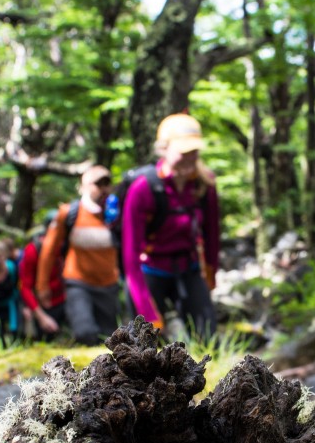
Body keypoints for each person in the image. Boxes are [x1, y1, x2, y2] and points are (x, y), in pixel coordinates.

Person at [122, 113, 219, 339]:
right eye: (183, 152)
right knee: (142, 342)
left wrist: (211, 274)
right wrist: (148, 312)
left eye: (194, 151)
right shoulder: (143, 189)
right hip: (149, 271)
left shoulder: (205, 185)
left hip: (189, 268)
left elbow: (212, 234)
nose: (189, 157)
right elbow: (130, 258)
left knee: (209, 337)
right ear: (163, 149)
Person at [37, 165, 121, 345]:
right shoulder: (69, 213)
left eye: (107, 183)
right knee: (85, 333)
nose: (104, 189)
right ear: (84, 187)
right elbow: (49, 250)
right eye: (98, 184)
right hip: (78, 283)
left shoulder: (115, 217)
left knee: (110, 339)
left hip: (108, 286)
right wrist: (42, 286)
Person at [18, 211, 66, 341]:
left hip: (65, 301)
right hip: (45, 306)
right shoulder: (33, 251)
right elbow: (25, 288)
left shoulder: (64, 246)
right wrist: (41, 317)